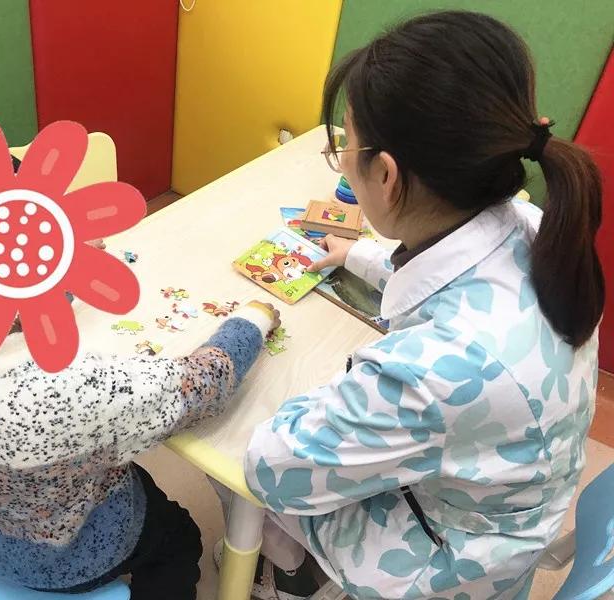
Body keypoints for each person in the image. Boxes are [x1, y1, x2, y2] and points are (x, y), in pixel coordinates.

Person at [244, 10, 603, 599]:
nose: (344, 159)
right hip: (510, 508)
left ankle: (290, 573)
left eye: (345, 145)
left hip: (452, 568)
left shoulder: (432, 371)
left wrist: (324, 390)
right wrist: (357, 254)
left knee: (238, 459)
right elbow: (463, 273)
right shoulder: (534, 225)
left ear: (385, 174)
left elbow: (271, 469)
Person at [0, 146, 281, 599]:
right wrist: (252, 322)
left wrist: (63, 267)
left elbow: (5, 315)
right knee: (178, 538)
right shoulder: (71, 390)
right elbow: (201, 387)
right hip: (73, 558)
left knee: (128, 473)